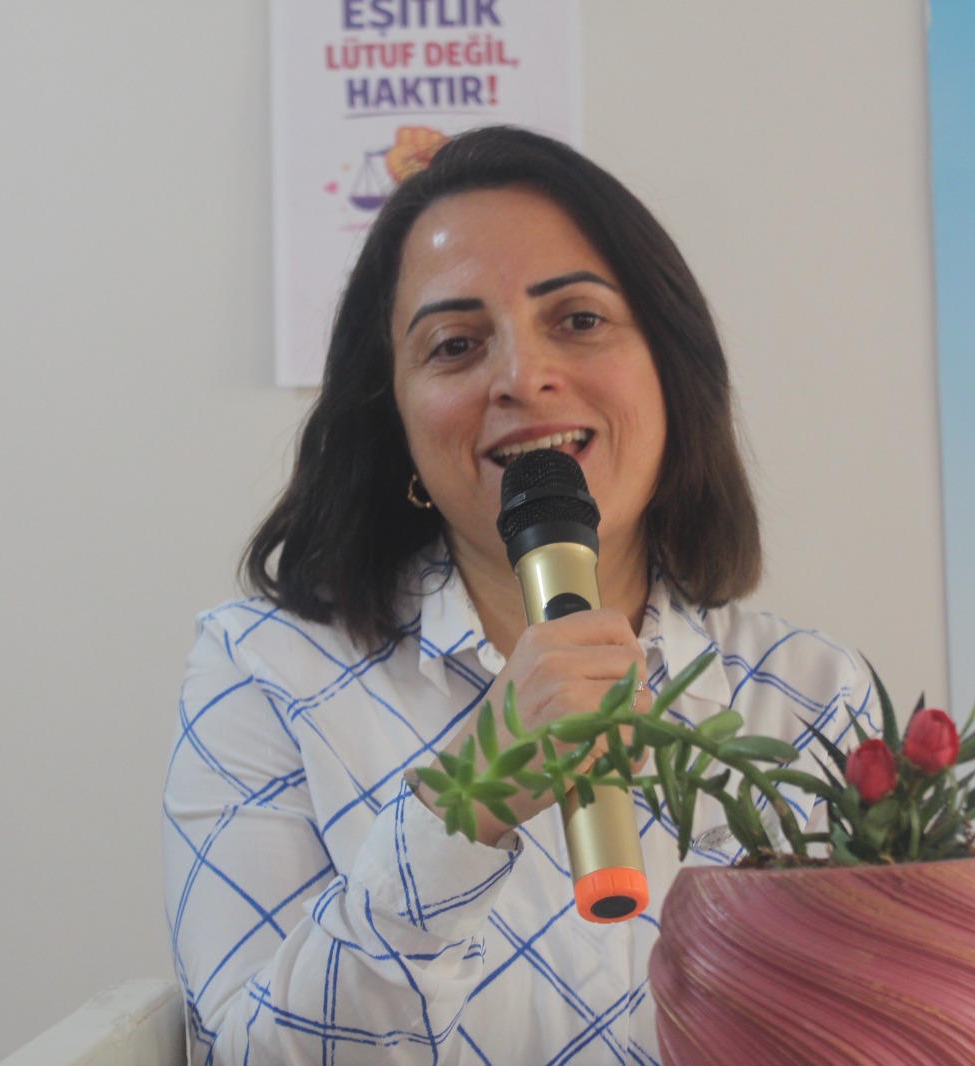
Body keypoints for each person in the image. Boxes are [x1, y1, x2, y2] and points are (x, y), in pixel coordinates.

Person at [163, 126, 876, 1065]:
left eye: (578, 321)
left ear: (672, 367)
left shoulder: (813, 695)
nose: (521, 378)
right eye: (456, 345)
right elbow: (244, 1056)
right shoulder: (263, 673)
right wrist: (466, 802)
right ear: (396, 417)